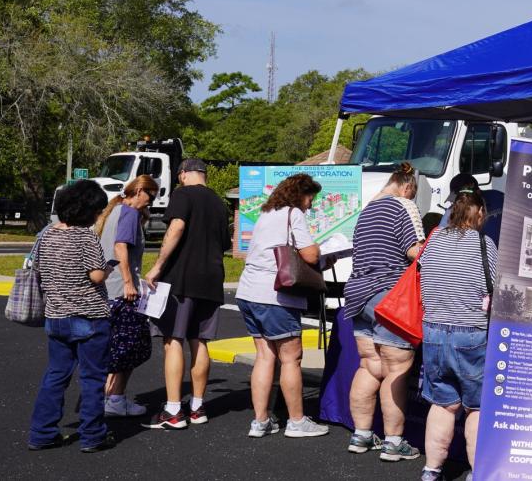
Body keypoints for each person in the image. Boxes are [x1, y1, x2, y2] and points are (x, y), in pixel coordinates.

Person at [235, 173, 331, 439]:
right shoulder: (293, 214)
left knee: (265, 356)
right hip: (275, 295)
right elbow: (309, 254)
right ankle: (297, 421)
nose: (311, 204)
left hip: (248, 291)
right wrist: (324, 252)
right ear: (300, 194)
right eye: (310, 197)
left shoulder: (266, 214)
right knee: (291, 358)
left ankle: (260, 420)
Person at [27, 180, 118, 453]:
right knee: (92, 379)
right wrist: (110, 267)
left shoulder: (46, 235)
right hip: (89, 315)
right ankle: (92, 436)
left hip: (56, 315)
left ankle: (41, 433)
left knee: (55, 376)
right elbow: (96, 276)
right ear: (89, 209)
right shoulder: (85, 237)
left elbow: (39, 269)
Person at [342, 162, 423, 462]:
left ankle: (361, 435)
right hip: (391, 297)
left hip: (358, 296)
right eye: (413, 193)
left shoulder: (366, 211)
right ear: (406, 186)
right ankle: (393, 442)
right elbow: (415, 251)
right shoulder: (404, 206)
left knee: (369, 366)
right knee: (396, 369)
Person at [142, 158, 230, 430]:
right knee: (200, 341)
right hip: (212, 278)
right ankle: (197, 406)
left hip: (181, 278)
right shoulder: (219, 203)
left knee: (173, 340)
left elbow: (176, 227)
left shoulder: (182, 195)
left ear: (183, 175)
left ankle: (172, 409)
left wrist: (157, 267)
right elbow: (225, 243)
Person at [418, 190, 497, 481]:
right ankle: (478, 472)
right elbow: (496, 285)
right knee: (475, 407)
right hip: (471, 334)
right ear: (477, 214)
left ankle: (431, 470)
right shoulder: (483, 243)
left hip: (434, 331)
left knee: (443, 404)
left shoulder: (434, 239)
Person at [94, 175, 157, 418]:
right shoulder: (130, 214)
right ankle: (116, 399)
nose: (149, 203)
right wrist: (130, 283)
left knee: (113, 346)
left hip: (108, 289)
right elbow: (121, 247)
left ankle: (104, 396)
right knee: (132, 347)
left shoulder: (113, 211)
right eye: (150, 197)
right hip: (122, 291)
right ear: (140, 191)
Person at [436, 173, 504, 245]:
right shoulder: (452, 210)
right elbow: (441, 235)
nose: (457, 204)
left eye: (462, 199)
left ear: (478, 192)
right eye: (458, 201)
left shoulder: (500, 199)